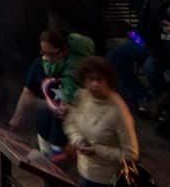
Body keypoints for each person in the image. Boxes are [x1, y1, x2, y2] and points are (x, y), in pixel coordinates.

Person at [59, 58, 140, 186]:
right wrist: (77, 140)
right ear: (84, 81)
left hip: (108, 180)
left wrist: (96, 150)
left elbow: (131, 154)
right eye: (91, 79)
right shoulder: (82, 96)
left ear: (108, 81)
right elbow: (70, 123)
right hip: (84, 172)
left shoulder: (119, 111)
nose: (95, 84)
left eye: (99, 79)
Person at [11, 26, 91, 143]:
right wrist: (16, 120)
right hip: (45, 131)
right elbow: (26, 93)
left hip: (74, 135)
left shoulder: (79, 67)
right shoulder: (39, 64)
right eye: (44, 53)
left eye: (53, 54)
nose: (48, 58)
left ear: (65, 50)